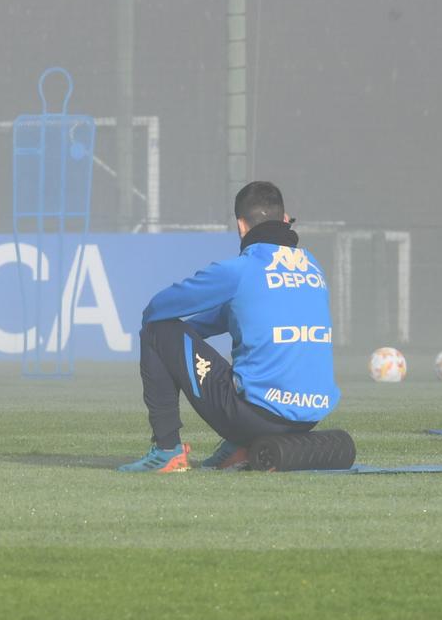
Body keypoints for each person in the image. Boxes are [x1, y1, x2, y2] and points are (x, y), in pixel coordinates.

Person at [119, 180, 340, 472]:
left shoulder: (239, 270)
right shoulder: (313, 266)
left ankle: (167, 450)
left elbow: (157, 308)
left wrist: (170, 349)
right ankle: (240, 447)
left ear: (241, 226)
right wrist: (185, 341)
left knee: (156, 330)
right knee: (184, 341)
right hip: (309, 418)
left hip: (257, 416)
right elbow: (235, 315)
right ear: (285, 220)